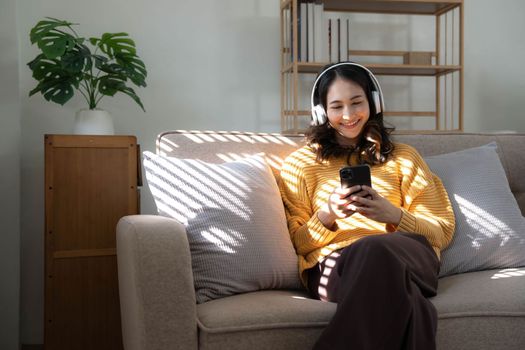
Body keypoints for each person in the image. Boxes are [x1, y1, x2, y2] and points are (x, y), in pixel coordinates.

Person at [278, 62, 455, 350]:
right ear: (322, 112)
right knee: (412, 304)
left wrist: (395, 216)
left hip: (409, 256)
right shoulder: (301, 164)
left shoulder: (404, 158)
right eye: (336, 107)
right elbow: (296, 244)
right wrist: (327, 215)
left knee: (375, 247)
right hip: (336, 267)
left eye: (357, 102)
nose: (348, 115)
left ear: (373, 102)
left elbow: (441, 231)